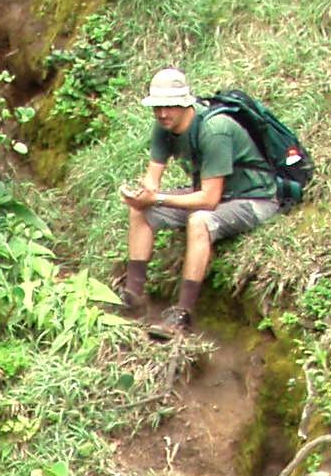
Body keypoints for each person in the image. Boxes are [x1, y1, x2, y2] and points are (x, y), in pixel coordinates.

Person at [118, 67, 282, 342]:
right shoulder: (163, 127)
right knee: (141, 210)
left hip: (255, 200)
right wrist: (141, 195)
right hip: (215, 193)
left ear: (185, 104)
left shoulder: (215, 130)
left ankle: (182, 314)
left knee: (200, 220)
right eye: (157, 107)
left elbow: (209, 199)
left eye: (169, 106)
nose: (162, 113)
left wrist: (157, 198)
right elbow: (152, 181)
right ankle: (134, 295)